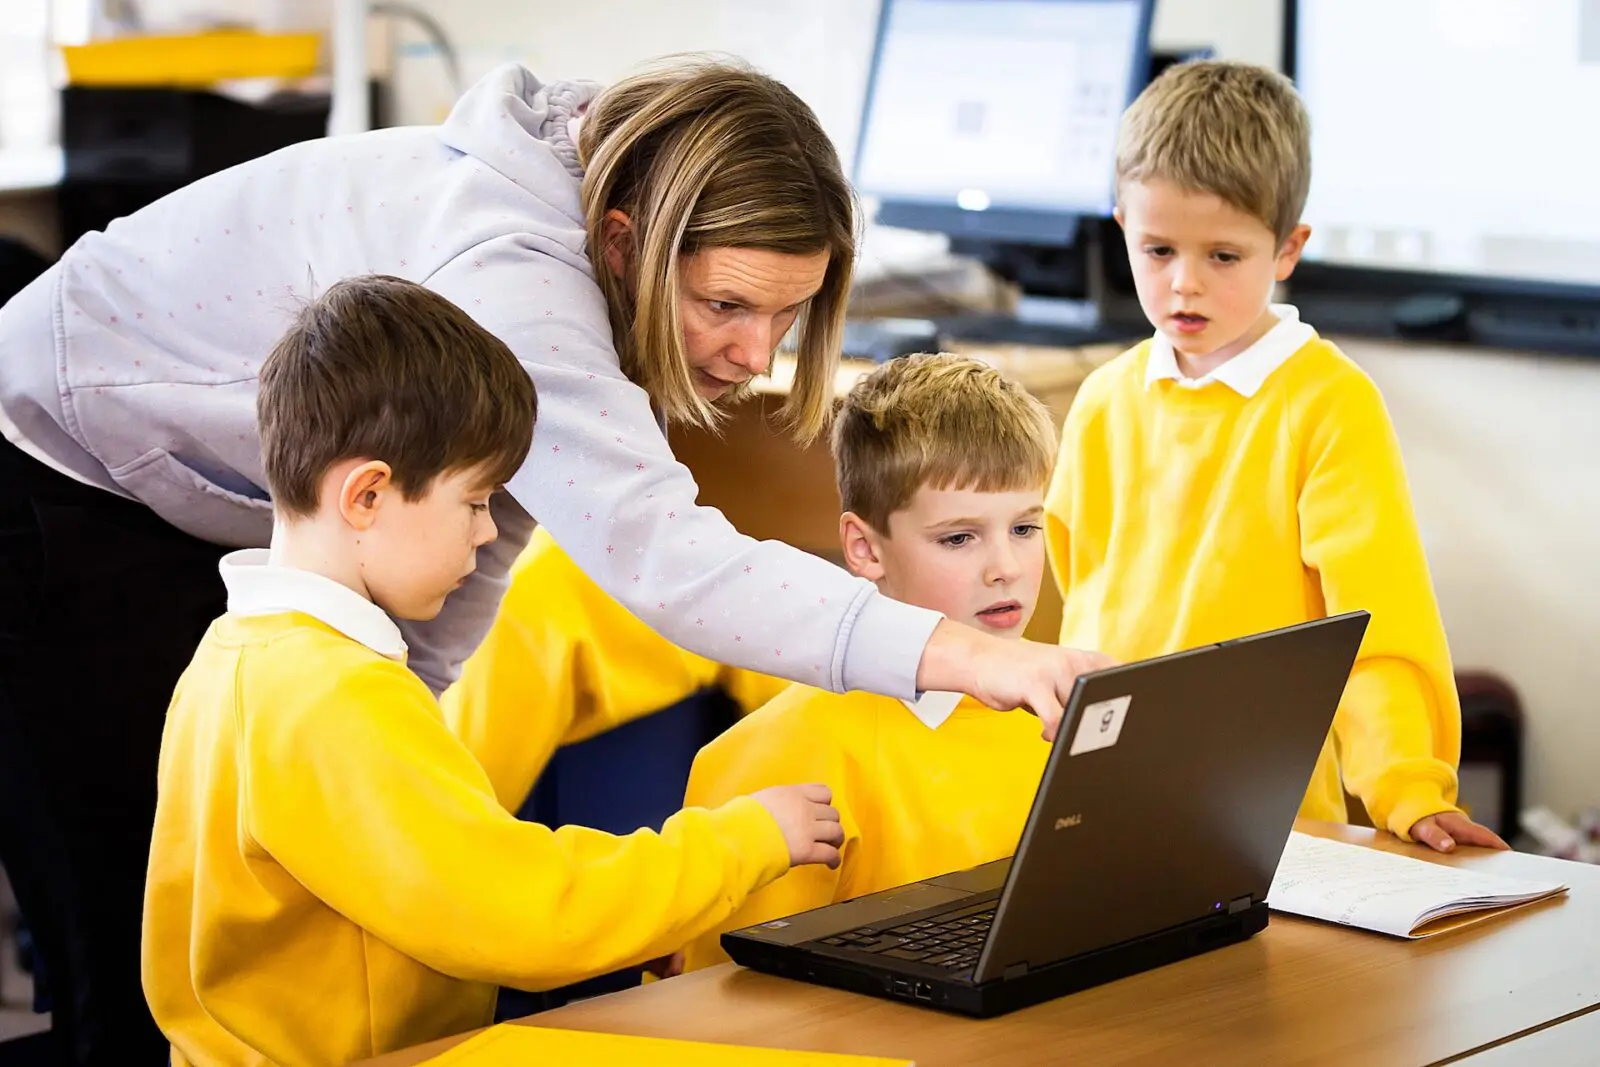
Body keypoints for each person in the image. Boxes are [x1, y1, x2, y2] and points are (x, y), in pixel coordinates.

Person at [0, 55, 1108, 1061]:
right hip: (55, 477)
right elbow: (665, 557)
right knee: (114, 967)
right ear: (627, 243)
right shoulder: (514, 276)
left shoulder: (585, 208)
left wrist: (410, 764)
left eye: (785, 316)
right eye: (724, 304)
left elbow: (463, 569)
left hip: (178, 505)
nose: (751, 354)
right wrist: (962, 652)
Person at [141, 275, 845, 1067]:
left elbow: (396, 893)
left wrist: (616, 940)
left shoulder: (233, 654)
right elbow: (521, 909)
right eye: (476, 502)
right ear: (369, 494)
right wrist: (746, 839)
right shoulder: (333, 698)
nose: (485, 535)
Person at [1044, 60, 1506, 853]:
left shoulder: (1328, 403)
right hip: (1102, 799)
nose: (1184, 285)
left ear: (1287, 249)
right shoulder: (1102, 399)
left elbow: (1378, 621)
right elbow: (1072, 590)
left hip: (1266, 819)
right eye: (1158, 250)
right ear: (1122, 223)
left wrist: (1406, 784)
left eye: (1223, 256)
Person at [679, 353, 1057, 972]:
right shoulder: (793, 752)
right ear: (864, 548)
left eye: (1024, 528)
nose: (1006, 568)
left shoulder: (1059, 716)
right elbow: (724, 1001)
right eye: (959, 538)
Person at [442, 527, 787, 815]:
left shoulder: (524, 596)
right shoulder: (707, 556)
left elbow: (459, 815)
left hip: (565, 867)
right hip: (715, 841)